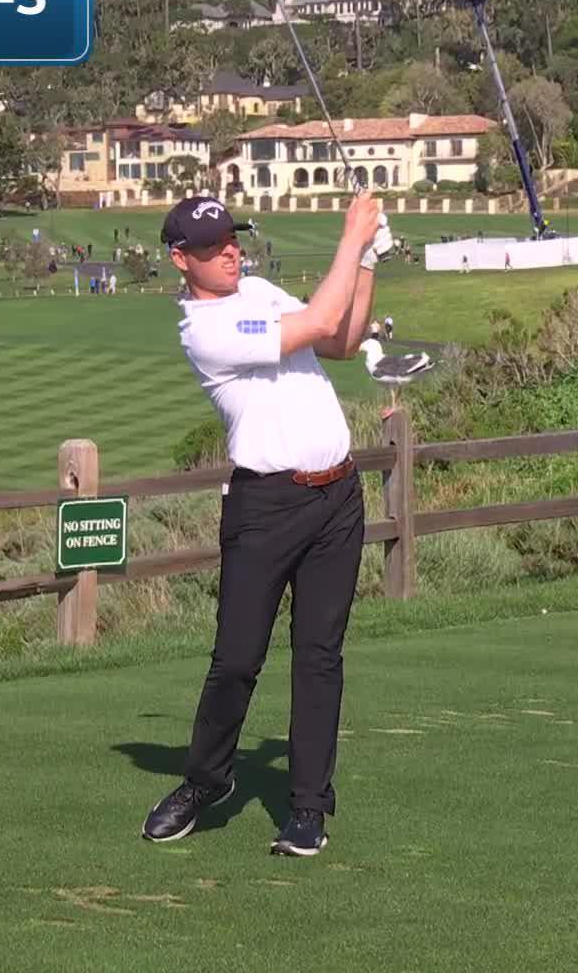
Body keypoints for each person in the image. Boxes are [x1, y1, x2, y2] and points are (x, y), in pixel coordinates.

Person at [140, 192, 386, 857]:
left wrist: (367, 258)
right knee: (237, 659)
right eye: (212, 245)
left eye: (232, 237)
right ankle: (205, 781)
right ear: (180, 259)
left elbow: (340, 339)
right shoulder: (204, 330)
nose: (230, 251)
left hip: (338, 497)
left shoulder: (260, 290)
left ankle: (307, 807)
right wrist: (351, 235)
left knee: (319, 656)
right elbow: (319, 319)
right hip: (265, 508)